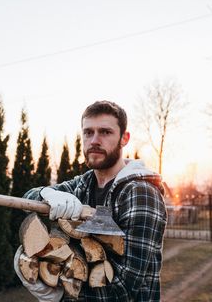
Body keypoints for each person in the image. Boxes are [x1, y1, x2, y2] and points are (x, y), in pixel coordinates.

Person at [14, 100, 167, 301]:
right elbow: (28, 198)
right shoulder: (84, 184)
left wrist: (59, 293)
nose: (94, 140)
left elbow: (124, 289)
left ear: (124, 138)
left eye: (105, 132)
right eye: (88, 132)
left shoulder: (140, 193)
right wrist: (45, 194)